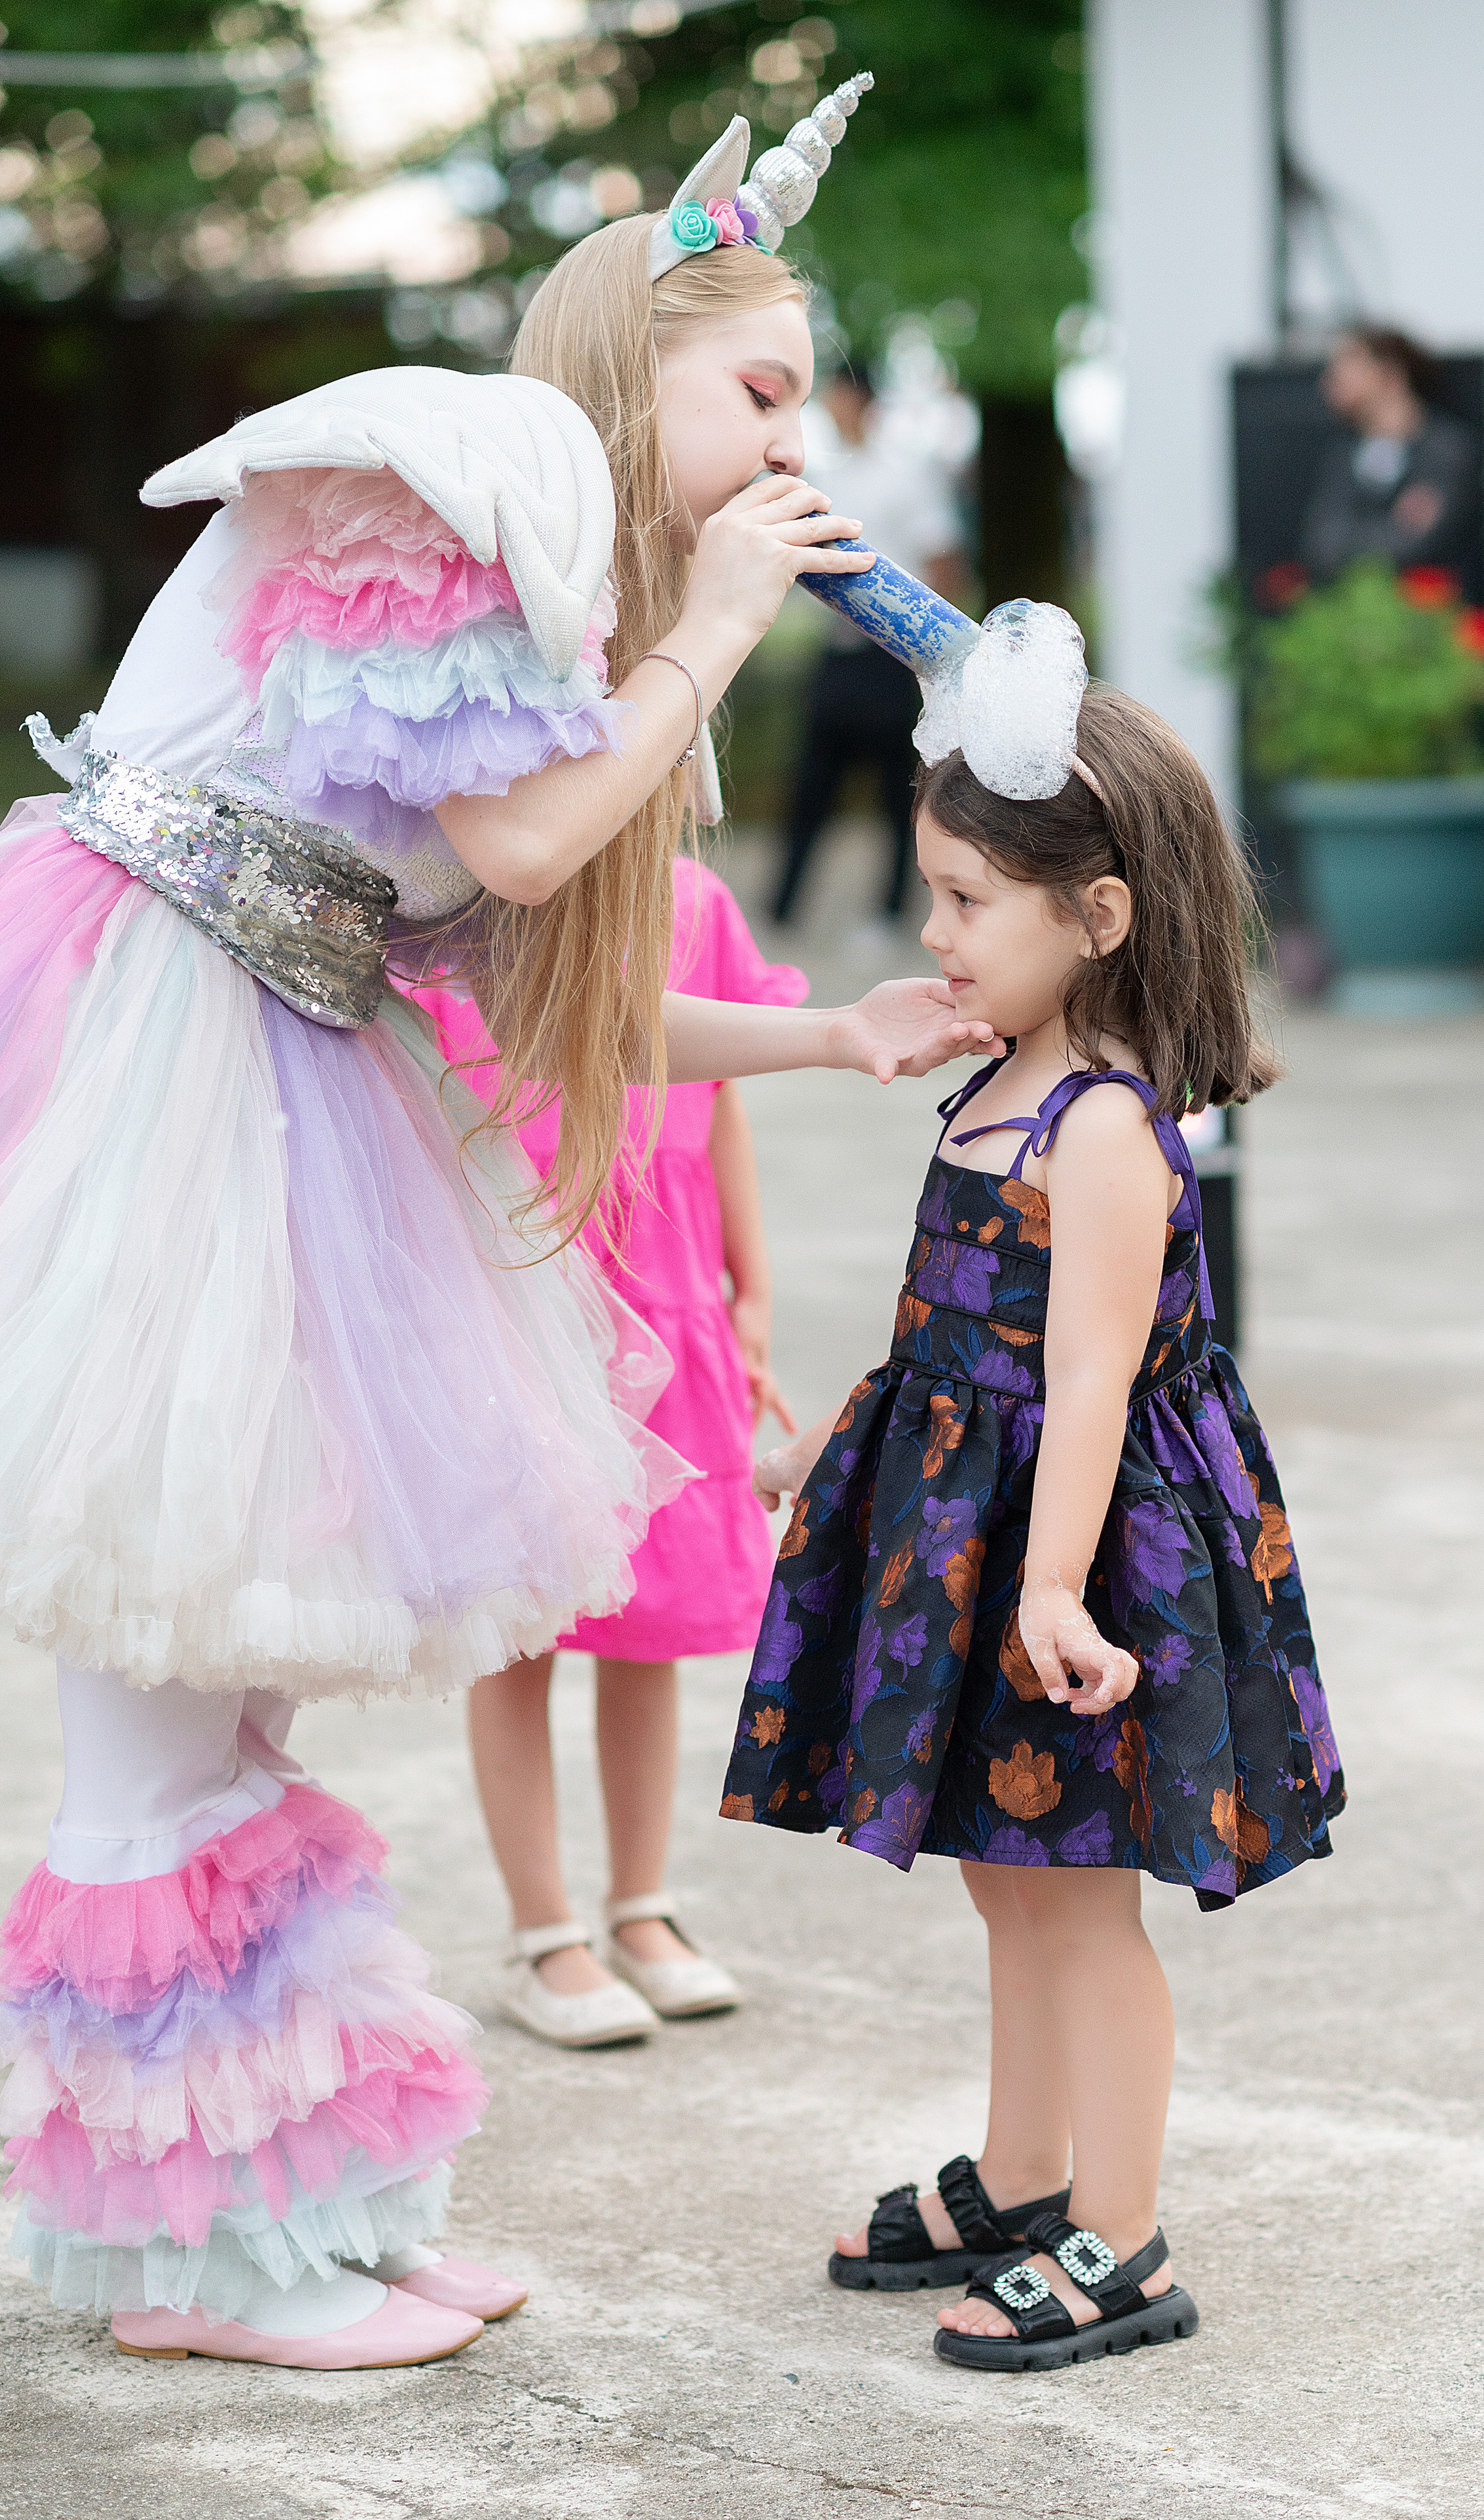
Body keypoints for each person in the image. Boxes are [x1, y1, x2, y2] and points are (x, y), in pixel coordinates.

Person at [0, 76, 999, 2373]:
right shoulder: (445, 473)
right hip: (159, 1079)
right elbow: (537, 855)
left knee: (232, 1702)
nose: (792, 433)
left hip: (282, 1064)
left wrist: (832, 1036)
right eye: (763, 382)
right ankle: (194, 2273)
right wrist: (724, 624)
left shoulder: (557, 591)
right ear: (632, 353)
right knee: (158, 1721)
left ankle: (296, 2217)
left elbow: (531, 974)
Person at [721, 663, 1345, 2373]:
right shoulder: (999, 1071)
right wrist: (830, 1460)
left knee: (1081, 1898)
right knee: (1008, 1866)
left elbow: (1087, 1380)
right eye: (933, 890)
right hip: (976, 1523)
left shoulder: (1112, 1127)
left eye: (965, 898)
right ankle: (1023, 2167)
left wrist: (1056, 1583)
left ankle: (1122, 2228)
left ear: (1102, 910)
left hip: (1072, 1553)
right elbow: (956, 1332)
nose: (934, 928)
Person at [409, 857, 804, 2045]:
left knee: (656, 1618)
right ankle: (546, 1933)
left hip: (669, 1285)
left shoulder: (692, 903)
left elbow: (720, 1092)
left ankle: (643, 1906)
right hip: (519, 1286)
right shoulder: (462, 910)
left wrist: (751, 1291)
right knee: (522, 1621)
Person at [771, 359, 965, 938]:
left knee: (895, 793)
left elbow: (943, 556)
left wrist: (927, 649)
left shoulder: (906, 476)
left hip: (891, 658)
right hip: (836, 650)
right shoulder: (827, 477)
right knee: (812, 782)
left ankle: (890, 913)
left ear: (861, 400)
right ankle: (782, 908)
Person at [1299, 326, 1479, 586]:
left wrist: (1354, 538)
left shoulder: (1446, 448)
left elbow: (1415, 542)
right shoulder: (1344, 451)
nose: (1329, 383)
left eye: (1345, 370)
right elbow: (1320, 544)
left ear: (1389, 375)